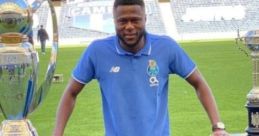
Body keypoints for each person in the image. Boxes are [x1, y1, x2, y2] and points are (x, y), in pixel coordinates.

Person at [53, 0, 229, 136]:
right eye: (122, 21)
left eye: (135, 20)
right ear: (114, 21)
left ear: (145, 19)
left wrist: (217, 126)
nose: (129, 26)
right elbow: (70, 92)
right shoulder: (97, 51)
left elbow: (199, 82)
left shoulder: (166, 47)